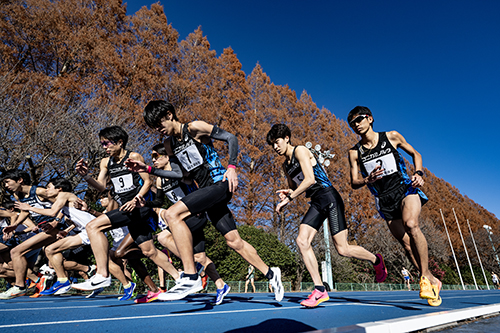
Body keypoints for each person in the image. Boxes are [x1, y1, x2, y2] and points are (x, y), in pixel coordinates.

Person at [140, 100, 283, 302]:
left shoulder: (195, 128)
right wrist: (148, 170)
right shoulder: (169, 144)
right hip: (207, 192)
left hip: (220, 184)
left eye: (159, 124)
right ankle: (271, 273)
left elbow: (231, 138)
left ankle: (190, 276)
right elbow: (180, 174)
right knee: (234, 241)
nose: (158, 129)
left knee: (173, 213)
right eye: (153, 127)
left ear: (170, 115)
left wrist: (232, 167)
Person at [267, 124, 387, 308]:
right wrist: (288, 192)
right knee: (302, 241)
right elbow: (295, 185)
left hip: (329, 197)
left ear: (287, 138)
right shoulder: (286, 165)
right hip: (316, 202)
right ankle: (320, 290)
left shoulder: (300, 151)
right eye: (272, 144)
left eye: (277, 142)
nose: (275, 147)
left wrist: (290, 197)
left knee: (343, 249)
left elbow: (310, 179)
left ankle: (376, 260)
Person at [347, 106, 441, 304]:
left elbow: (416, 154)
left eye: (359, 119)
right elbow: (354, 182)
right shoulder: (355, 152)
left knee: (411, 225)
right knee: (406, 245)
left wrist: (418, 173)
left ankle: (424, 278)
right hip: (384, 199)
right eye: (352, 123)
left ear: (370, 119)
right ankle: (432, 279)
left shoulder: (391, 136)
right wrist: (367, 179)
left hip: (405, 189)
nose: (356, 125)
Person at [72, 126, 174, 302]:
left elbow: (147, 181)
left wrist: (136, 199)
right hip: (127, 209)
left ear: (120, 142)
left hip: (139, 207)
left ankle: (102, 273)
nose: (104, 147)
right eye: (102, 143)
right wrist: (86, 176)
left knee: (93, 226)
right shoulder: (106, 162)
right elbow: (102, 187)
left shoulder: (133, 157)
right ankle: (180, 277)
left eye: (107, 143)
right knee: (149, 251)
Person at [127, 143, 231, 305]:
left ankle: (192, 268)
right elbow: (159, 201)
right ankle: (220, 284)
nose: (153, 160)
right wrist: (145, 204)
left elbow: (188, 182)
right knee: (201, 256)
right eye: (152, 157)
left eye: (156, 156)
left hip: (194, 215)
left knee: (163, 237)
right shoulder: (160, 180)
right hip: (181, 221)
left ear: (167, 157)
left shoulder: (181, 172)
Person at [0, 169, 58, 299]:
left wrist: (56, 221)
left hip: (56, 228)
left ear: (19, 180)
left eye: (7, 182)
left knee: (15, 252)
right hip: (45, 230)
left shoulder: (40, 191)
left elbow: (63, 203)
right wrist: (15, 225)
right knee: (17, 253)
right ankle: (40, 281)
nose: (6, 186)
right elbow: (26, 212)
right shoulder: (20, 196)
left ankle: (20, 286)